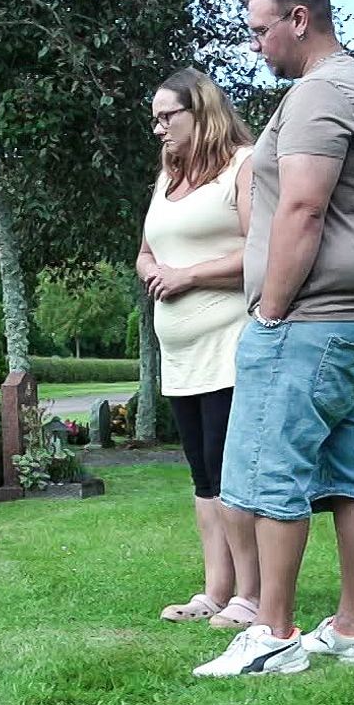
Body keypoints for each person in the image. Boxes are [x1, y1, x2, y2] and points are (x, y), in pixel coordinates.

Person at [193, 0, 354, 677]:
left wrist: (271, 309)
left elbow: (303, 207)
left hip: (312, 315)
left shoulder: (317, 94)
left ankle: (273, 634)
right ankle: (353, 628)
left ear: (300, 19)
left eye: (261, 30)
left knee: (269, 467)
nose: (256, 45)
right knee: (351, 467)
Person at [137, 67, 260, 630]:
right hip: (181, 357)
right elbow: (145, 251)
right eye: (155, 119)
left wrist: (188, 275)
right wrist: (154, 272)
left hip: (229, 345)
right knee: (203, 478)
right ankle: (215, 591)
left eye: (167, 116)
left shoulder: (244, 165)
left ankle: (250, 596)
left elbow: (262, 250)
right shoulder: (167, 176)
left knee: (231, 474)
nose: (159, 128)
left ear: (201, 111)